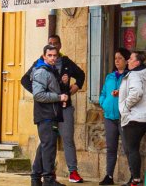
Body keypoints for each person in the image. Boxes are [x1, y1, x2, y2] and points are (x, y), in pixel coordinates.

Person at [47, 35, 87, 184]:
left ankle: (73, 172)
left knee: (68, 139)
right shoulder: (41, 63)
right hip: (49, 108)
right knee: (48, 141)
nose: (53, 46)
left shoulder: (66, 62)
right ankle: (48, 172)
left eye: (55, 44)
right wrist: (40, 96)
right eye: (50, 44)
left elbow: (81, 75)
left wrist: (76, 87)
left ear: (60, 45)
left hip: (65, 107)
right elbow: (26, 80)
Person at [31, 44, 68, 186]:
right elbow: (38, 95)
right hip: (46, 114)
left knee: (45, 146)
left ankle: (36, 178)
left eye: (55, 55)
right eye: (50, 55)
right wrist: (59, 98)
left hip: (50, 113)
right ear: (44, 56)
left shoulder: (51, 70)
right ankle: (48, 179)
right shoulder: (42, 72)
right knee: (49, 147)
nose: (53, 58)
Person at [118, 51, 146, 186]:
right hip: (144, 117)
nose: (128, 61)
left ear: (137, 62)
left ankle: (135, 180)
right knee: (132, 148)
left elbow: (137, 92)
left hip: (134, 117)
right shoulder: (143, 74)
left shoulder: (134, 74)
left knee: (131, 149)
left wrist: (125, 106)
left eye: (131, 59)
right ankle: (134, 178)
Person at [98, 48, 130, 185]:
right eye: (115, 58)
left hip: (124, 118)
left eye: (120, 58)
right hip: (109, 117)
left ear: (126, 61)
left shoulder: (130, 77)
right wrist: (103, 103)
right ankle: (109, 176)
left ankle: (133, 177)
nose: (116, 61)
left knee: (129, 148)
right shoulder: (110, 76)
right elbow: (103, 93)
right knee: (111, 148)